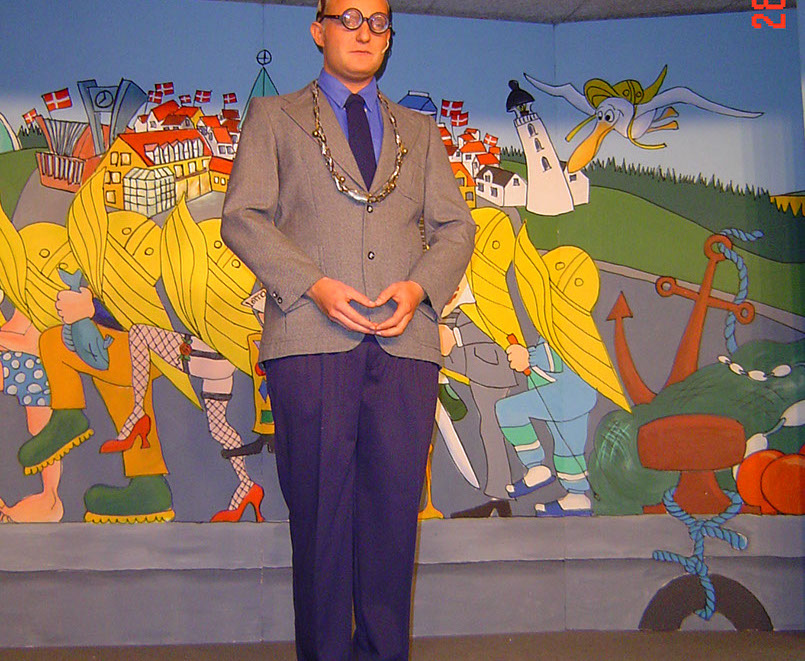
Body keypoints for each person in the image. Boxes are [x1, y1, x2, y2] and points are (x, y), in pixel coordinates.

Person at [221, 0, 474, 657]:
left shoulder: (419, 131)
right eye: (349, 17)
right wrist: (313, 283)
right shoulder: (273, 117)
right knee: (320, 520)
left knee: (393, 518)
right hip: (310, 340)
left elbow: (456, 228)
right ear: (319, 30)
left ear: (390, 38)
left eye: (378, 21)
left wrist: (418, 287)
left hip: (404, 346)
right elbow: (242, 216)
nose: (365, 32)